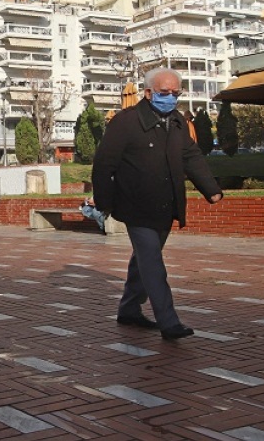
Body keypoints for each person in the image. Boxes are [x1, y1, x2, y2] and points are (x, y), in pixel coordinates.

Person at [92, 67, 223, 341]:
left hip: (166, 205)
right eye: (166, 93)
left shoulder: (176, 122)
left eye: (176, 93)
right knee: (153, 262)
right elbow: (104, 164)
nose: (172, 98)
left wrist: (211, 190)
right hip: (135, 206)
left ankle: (129, 309)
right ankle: (169, 321)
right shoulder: (125, 122)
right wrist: (104, 202)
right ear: (149, 92)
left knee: (143, 261)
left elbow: (192, 157)